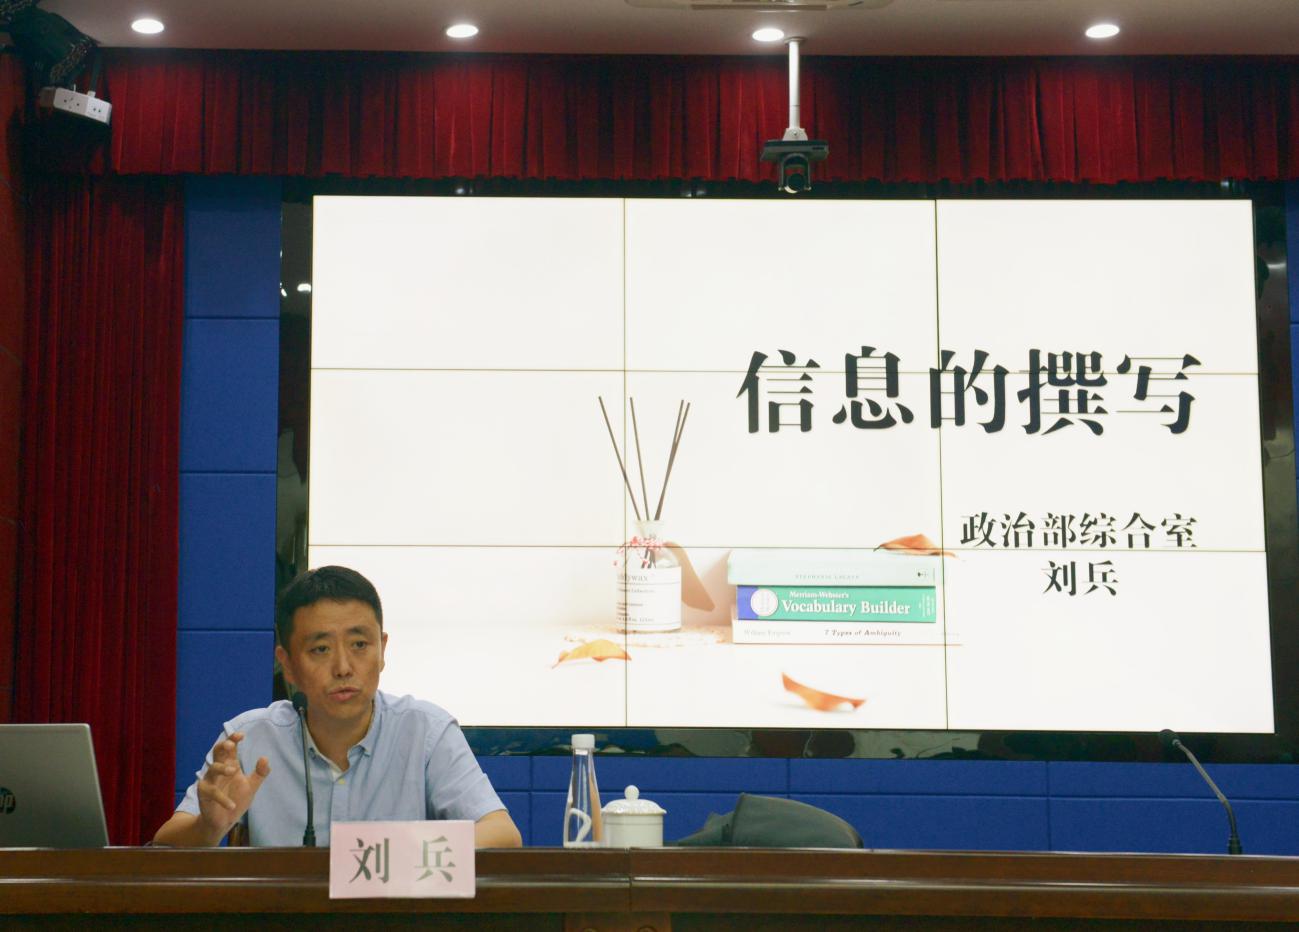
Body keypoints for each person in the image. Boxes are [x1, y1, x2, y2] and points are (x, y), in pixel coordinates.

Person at [154, 565, 522, 848]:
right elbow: (165, 844)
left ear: (382, 650)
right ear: (288, 665)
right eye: (321, 649)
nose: (344, 667)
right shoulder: (249, 738)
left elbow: (502, 833)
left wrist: (390, 856)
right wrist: (209, 826)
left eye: (360, 645)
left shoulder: (426, 731)